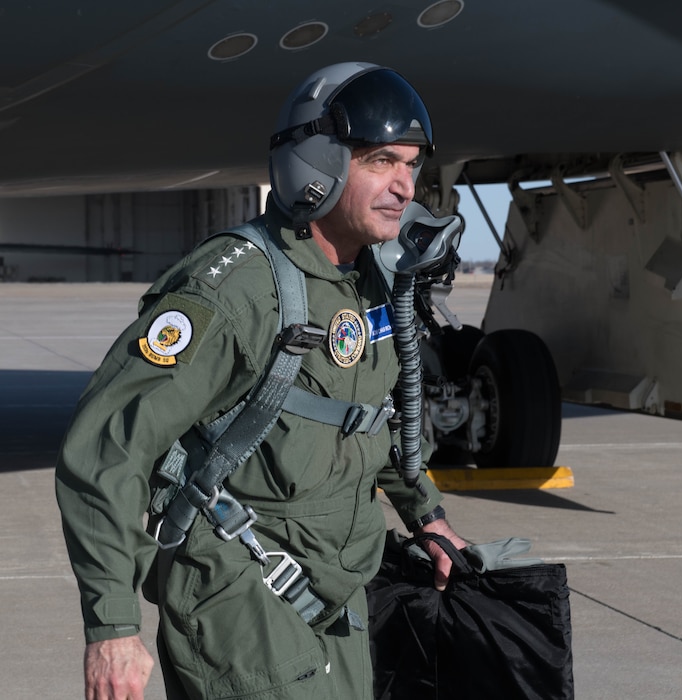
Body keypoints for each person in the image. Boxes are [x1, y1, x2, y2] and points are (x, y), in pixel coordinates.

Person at [55, 61, 466, 700]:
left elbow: (374, 418)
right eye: (381, 160)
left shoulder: (374, 281)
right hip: (240, 587)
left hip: (340, 581)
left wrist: (427, 515)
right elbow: (107, 446)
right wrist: (111, 625)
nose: (404, 186)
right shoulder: (237, 289)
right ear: (319, 163)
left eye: (412, 165)